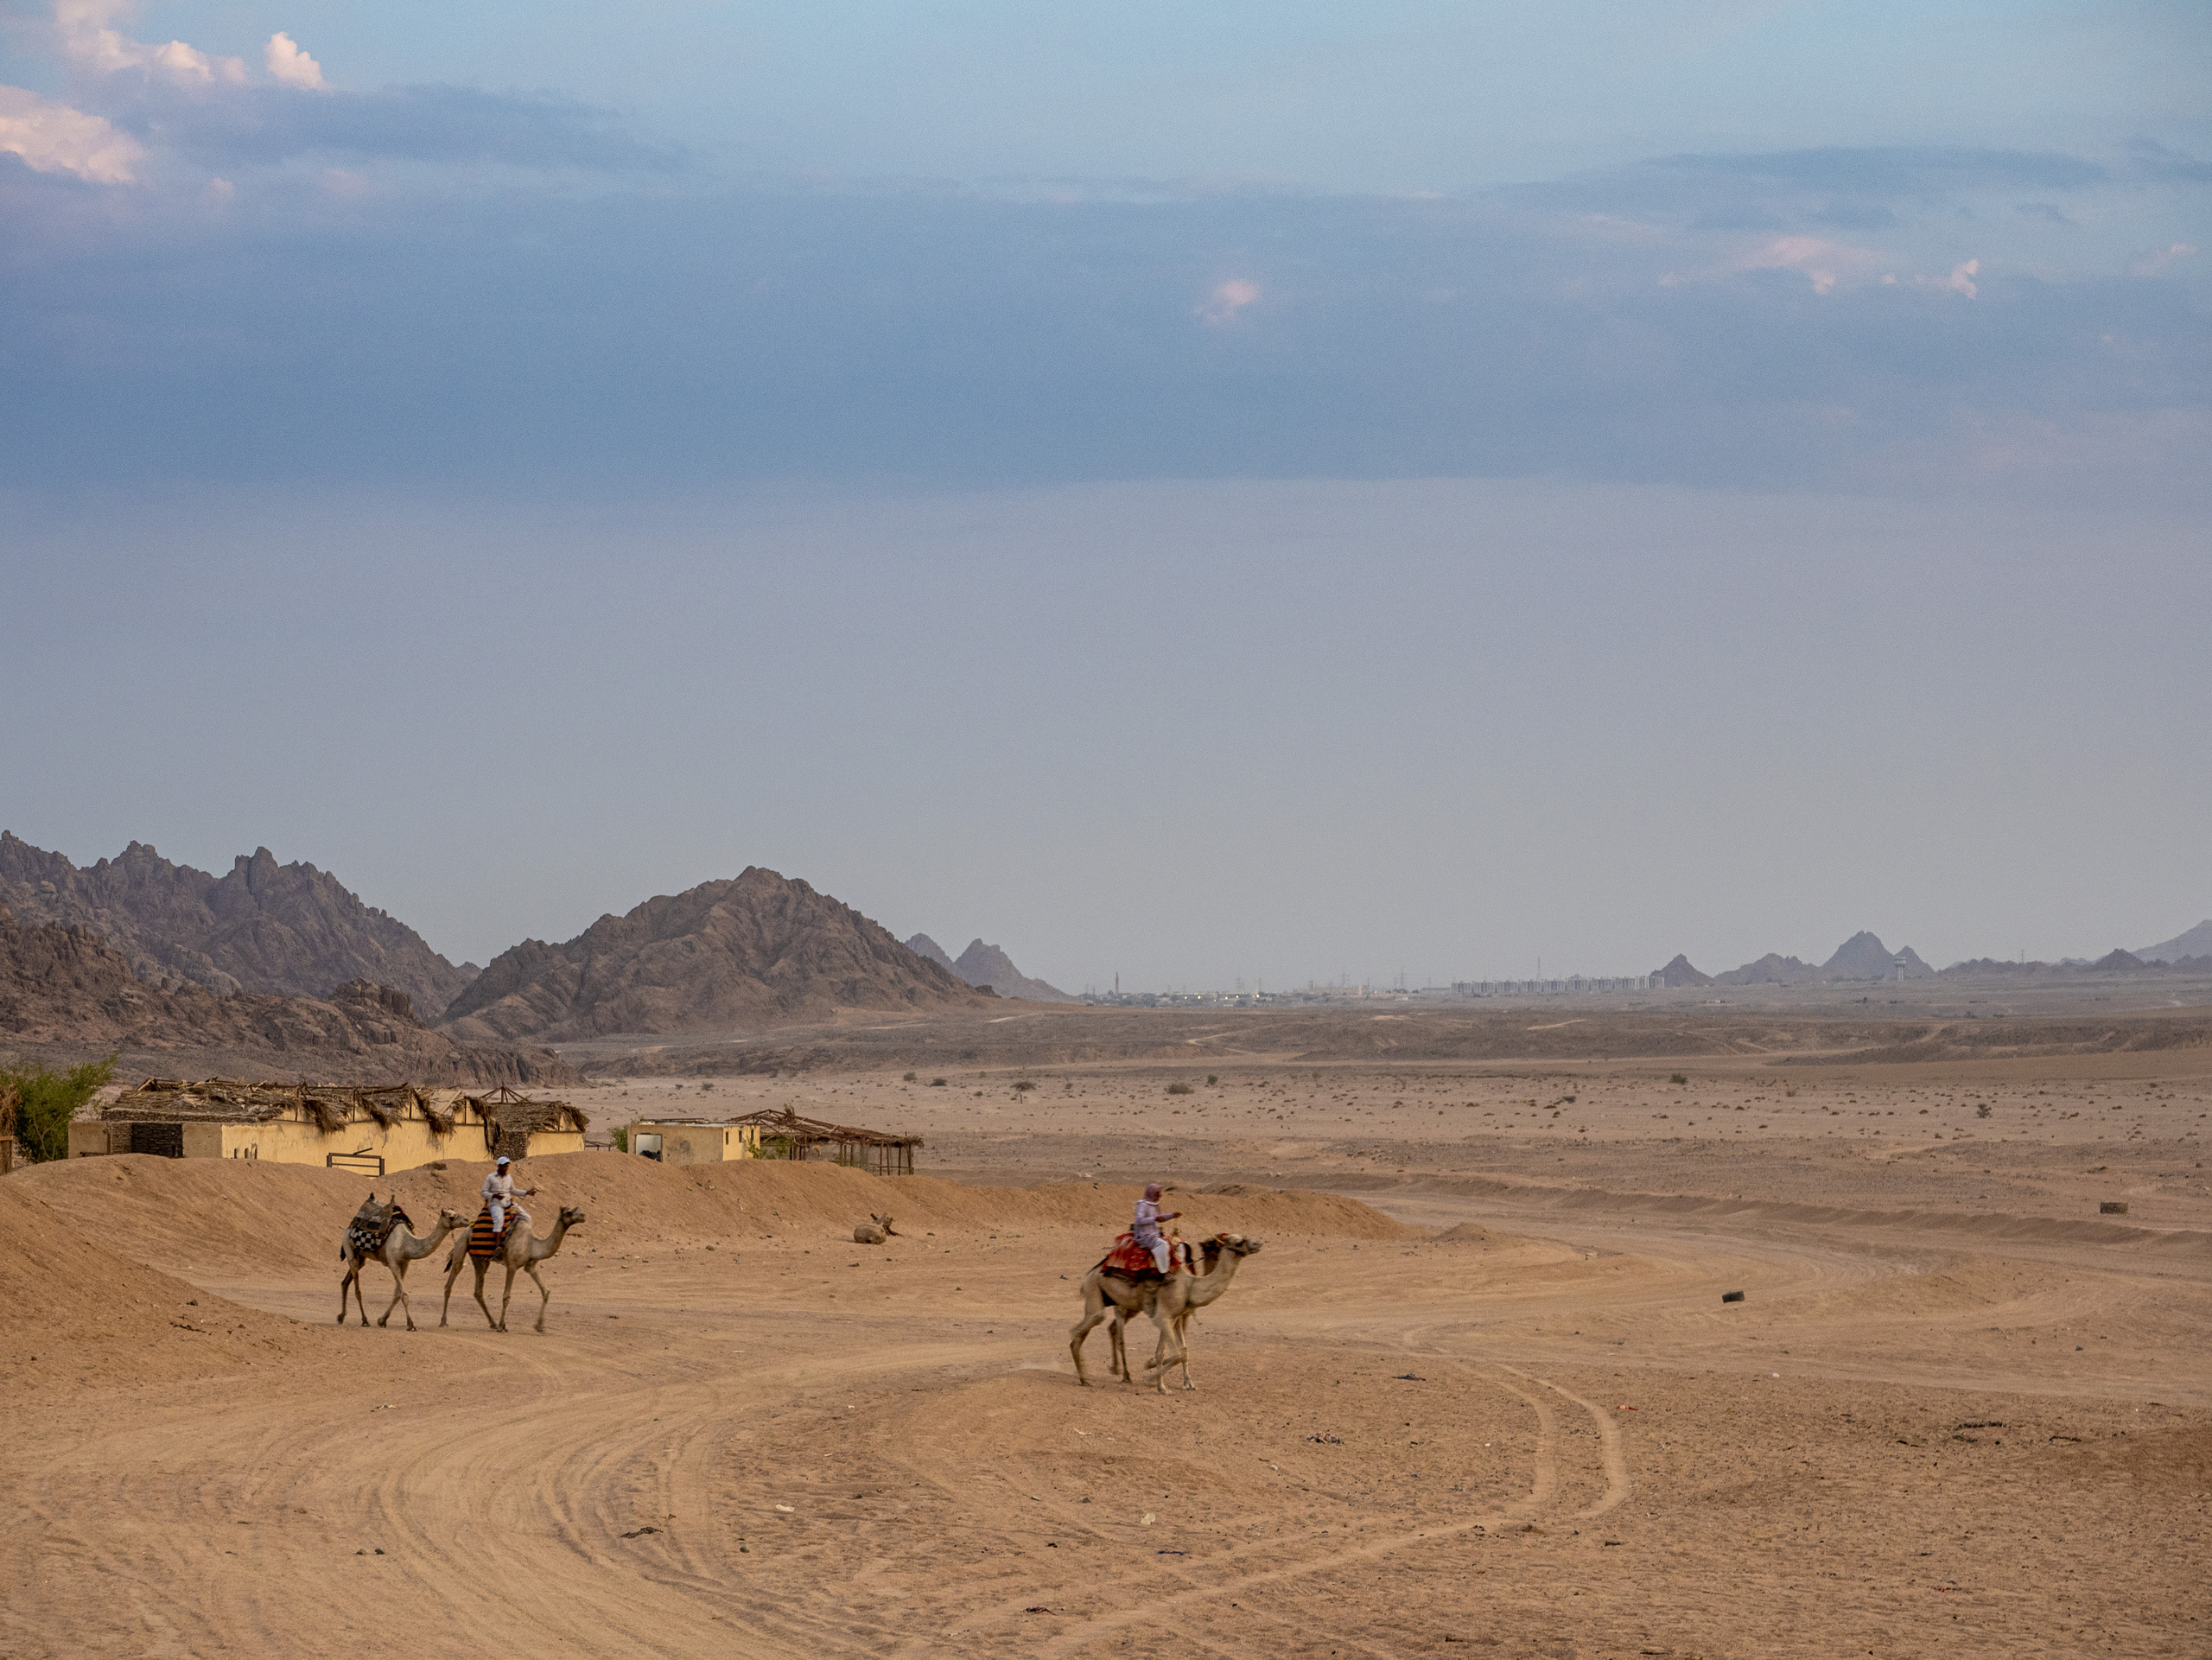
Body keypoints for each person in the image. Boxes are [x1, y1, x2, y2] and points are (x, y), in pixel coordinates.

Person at [1131, 1182, 1182, 1275]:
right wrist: (1154, 1219)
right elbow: (1139, 1220)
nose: (1160, 1195)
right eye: (1157, 1193)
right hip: (1144, 1236)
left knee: (1179, 1244)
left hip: (1154, 1234)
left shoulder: (1154, 1205)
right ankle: (1164, 1272)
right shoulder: (1143, 1205)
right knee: (1163, 1245)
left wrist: (1172, 1216)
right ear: (1151, 1193)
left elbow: (1160, 1217)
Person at [482, 1154, 535, 1237]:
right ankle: (497, 1246)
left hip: (508, 1203)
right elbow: (483, 1192)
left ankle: (522, 1239)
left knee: (527, 1218)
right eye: (504, 1166)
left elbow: (513, 1191)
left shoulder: (509, 1178)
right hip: (496, 1204)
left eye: (507, 1166)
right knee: (499, 1221)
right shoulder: (490, 1177)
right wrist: (494, 1196)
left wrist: (527, 1192)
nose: (506, 1168)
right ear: (499, 1166)